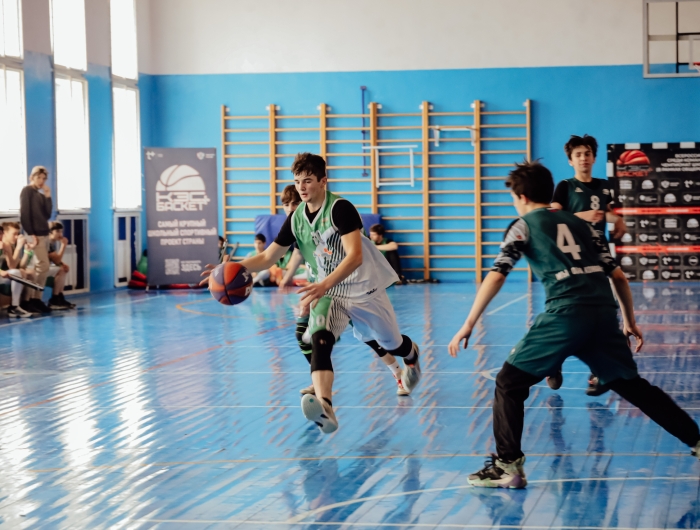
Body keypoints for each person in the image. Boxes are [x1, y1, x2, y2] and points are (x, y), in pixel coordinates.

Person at [448, 160, 700, 489]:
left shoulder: (522, 225)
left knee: (509, 383)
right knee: (634, 387)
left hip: (566, 314)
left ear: (522, 197)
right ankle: (696, 440)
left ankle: (507, 465)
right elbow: (618, 276)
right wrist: (629, 321)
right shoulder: (584, 225)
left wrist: (469, 322)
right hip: (603, 314)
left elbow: (498, 274)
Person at [203, 152, 421, 433]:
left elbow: (355, 256)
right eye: (297, 181)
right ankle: (325, 406)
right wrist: (231, 268)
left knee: (392, 344)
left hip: (362, 289)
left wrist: (323, 284)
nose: (302, 187)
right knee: (319, 338)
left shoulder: (340, 208)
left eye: (307, 180)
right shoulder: (296, 219)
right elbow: (268, 257)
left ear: (323, 181)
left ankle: (411, 355)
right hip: (329, 292)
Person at [278, 185, 412, 397]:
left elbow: (349, 253)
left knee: (372, 338)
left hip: (348, 286)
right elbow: (296, 253)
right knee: (305, 333)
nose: (290, 208)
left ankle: (398, 372)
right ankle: (319, 379)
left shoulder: (331, 217)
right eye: (286, 204)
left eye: (294, 203)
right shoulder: (297, 224)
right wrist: (287, 277)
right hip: (320, 287)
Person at [549, 134, 627, 394]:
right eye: (578, 154)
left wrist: (618, 220)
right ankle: (554, 360)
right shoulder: (565, 186)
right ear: (570, 160)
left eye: (587, 154)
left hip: (598, 254)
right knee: (569, 312)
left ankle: (598, 371)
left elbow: (610, 214)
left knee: (604, 311)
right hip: (571, 257)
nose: (583, 158)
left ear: (594, 158)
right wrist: (581, 215)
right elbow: (552, 216)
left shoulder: (604, 186)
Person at [19, 166, 53, 314]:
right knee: (43, 265)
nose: (41, 181)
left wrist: (48, 196)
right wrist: (30, 233)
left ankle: (33, 299)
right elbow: (24, 214)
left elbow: (47, 214)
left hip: (44, 233)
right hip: (35, 234)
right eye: (38, 177)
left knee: (38, 268)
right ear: (31, 177)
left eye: (44, 178)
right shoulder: (27, 191)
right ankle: (34, 299)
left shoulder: (40, 194)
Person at [0, 222, 33, 318]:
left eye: (17, 234)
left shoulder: (8, 245)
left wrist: (25, 251)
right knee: (18, 272)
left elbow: (13, 266)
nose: (16, 236)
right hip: (2, 274)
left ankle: (15, 306)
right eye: (14, 234)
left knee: (18, 272)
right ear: (5, 233)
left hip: (4, 276)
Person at [45, 222, 75, 310]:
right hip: (37, 269)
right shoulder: (47, 243)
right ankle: (54, 299)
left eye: (61, 231)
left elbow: (55, 260)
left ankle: (59, 297)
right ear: (50, 232)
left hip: (45, 267)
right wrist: (63, 246)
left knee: (63, 269)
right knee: (61, 270)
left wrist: (63, 264)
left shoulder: (51, 243)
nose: (60, 234)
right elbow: (57, 260)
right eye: (57, 231)